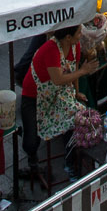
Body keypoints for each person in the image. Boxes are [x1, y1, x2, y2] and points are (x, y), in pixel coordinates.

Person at [20, 24, 98, 184]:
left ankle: (69, 163)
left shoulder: (75, 45)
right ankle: (33, 165)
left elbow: (73, 69)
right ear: (68, 37)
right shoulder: (51, 50)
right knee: (31, 141)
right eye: (78, 32)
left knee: (76, 119)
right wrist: (84, 71)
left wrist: (76, 93)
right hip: (34, 96)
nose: (81, 34)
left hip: (58, 93)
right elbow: (58, 79)